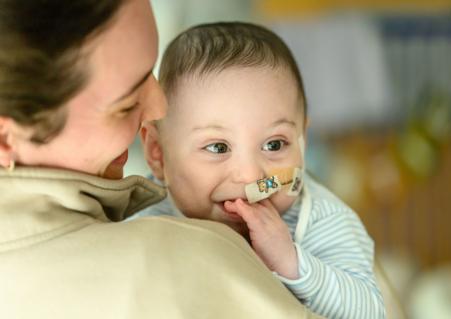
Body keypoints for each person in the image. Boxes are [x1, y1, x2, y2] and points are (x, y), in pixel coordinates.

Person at [0, 1, 323, 318]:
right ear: (5, 138)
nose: (159, 108)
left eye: (151, 73)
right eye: (125, 104)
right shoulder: (189, 260)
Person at [139, 22, 386, 318]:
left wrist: (292, 263)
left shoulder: (321, 220)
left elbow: (369, 312)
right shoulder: (142, 212)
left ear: (302, 141)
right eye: (218, 147)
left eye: (274, 144)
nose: (251, 176)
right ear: (158, 154)